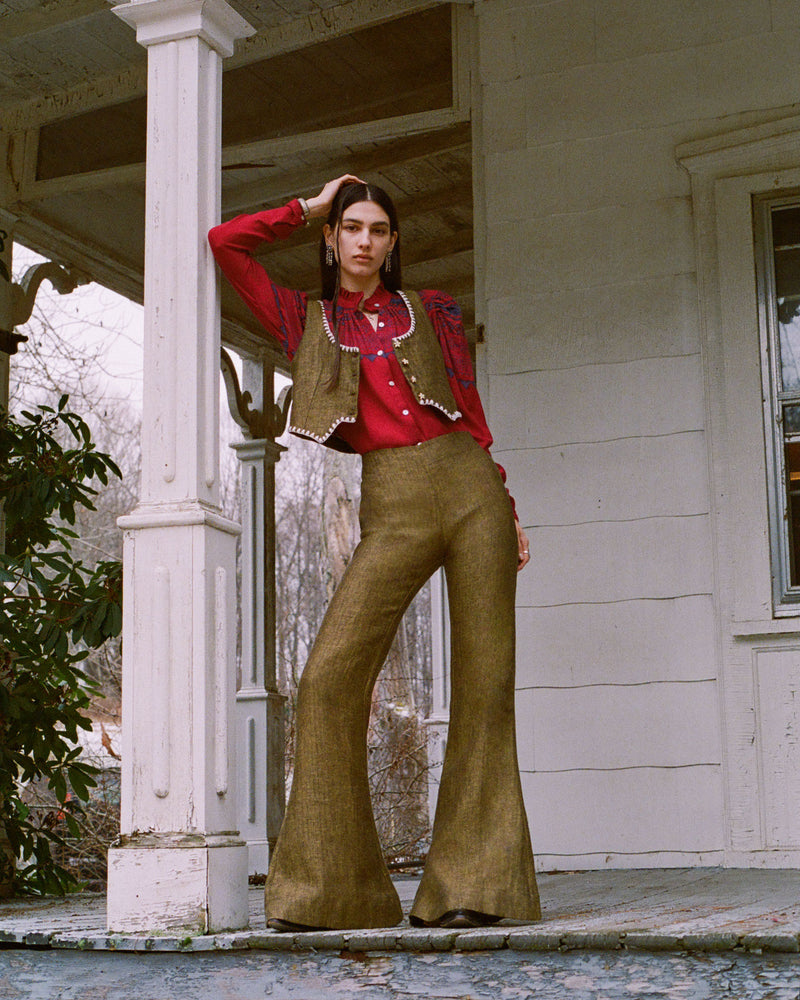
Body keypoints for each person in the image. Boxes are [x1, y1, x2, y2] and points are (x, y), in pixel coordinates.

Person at [208, 175, 541, 932]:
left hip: (469, 486)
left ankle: (472, 887)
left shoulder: (430, 310)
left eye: (378, 230)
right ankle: (333, 892)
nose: (364, 240)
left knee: (485, 684)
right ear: (332, 239)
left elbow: (474, 418)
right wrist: (306, 205)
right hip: (390, 500)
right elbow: (226, 246)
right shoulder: (307, 316)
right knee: (328, 682)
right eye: (351, 227)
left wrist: (507, 505)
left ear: (393, 244)